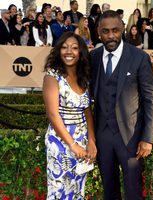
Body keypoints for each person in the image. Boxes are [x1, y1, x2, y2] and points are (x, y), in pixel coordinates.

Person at [90, 10, 153, 200]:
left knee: (133, 191)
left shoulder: (139, 58)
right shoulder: (93, 58)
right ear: (98, 32)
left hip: (131, 137)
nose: (111, 35)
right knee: (108, 190)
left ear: (123, 29)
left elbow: (151, 98)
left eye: (115, 30)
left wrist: (147, 138)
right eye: (105, 31)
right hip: (102, 136)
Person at [43, 31, 97, 199]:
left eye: (74, 48)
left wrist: (92, 141)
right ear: (58, 50)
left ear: (80, 52)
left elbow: (87, 112)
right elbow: (53, 115)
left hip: (82, 143)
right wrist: (72, 145)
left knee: (77, 190)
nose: (69, 52)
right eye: (64, 47)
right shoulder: (52, 77)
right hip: (60, 143)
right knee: (59, 191)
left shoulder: (83, 78)